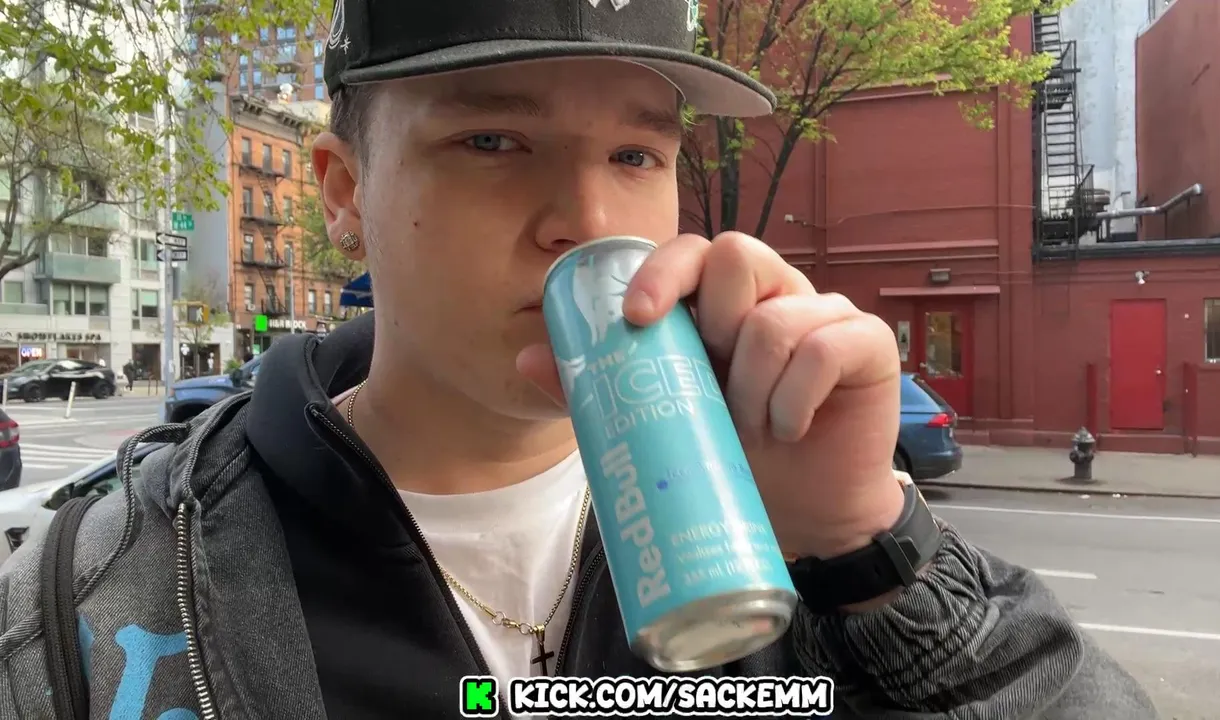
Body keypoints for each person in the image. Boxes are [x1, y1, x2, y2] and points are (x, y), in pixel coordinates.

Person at [0, 2, 1160, 718]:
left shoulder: (786, 528)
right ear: (344, 192)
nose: (586, 220)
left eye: (634, 155)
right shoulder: (101, 586)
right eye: (492, 140)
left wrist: (870, 553)